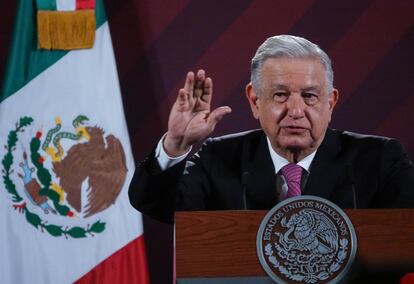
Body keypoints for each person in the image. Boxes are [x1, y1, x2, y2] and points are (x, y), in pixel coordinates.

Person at [129, 35, 414, 224]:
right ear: (255, 101)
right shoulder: (219, 158)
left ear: (331, 102)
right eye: (280, 95)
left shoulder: (379, 160)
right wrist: (175, 145)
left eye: (310, 96)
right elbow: (157, 205)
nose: (296, 110)